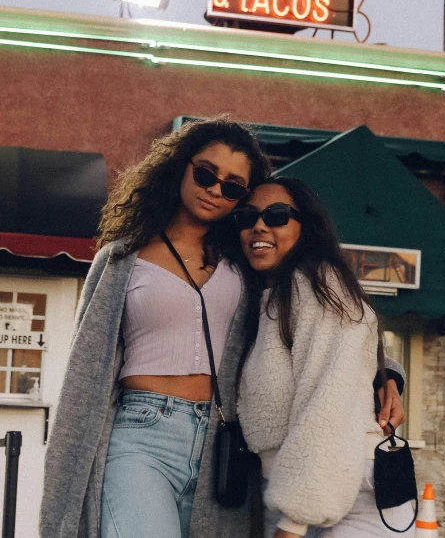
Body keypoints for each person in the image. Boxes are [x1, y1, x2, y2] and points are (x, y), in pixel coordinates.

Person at [39, 117, 405, 538]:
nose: (215, 189)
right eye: (206, 173)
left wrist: (387, 374)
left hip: (222, 446)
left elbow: (330, 337)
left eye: (233, 187)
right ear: (180, 167)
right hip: (140, 435)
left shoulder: (248, 265)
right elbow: (84, 376)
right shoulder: (120, 261)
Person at [235, 177, 415, 538]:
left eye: (277, 215)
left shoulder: (319, 284)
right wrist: (388, 376)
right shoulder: (270, 294)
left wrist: (295, 521)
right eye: (247, 215)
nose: (259, 224)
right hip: (298, 491)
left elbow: (329, 399)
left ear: (307, 226)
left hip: (340, 495)